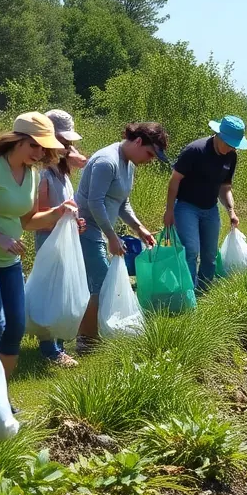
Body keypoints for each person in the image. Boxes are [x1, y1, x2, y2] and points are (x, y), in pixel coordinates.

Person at [0, 111, 83, 376]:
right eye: (33, 144)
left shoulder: (32, 174)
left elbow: (28, 220)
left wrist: (59, 211)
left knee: (15, 327)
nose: (38, 152)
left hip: (9, 261)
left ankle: (0, 394)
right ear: (17, 140)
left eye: (43, 146)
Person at [74, 122, 169, 343]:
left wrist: (139, 228)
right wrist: (111, 236)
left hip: (101, 229)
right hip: (86, 227)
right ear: (138, 141)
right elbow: (94, 202)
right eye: (149, 153)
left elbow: (122, 203)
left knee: (100, 281)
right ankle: (86, 340)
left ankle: (92, 334)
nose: (149, 160)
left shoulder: (129, 164)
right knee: (101, 281)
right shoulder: (107, 162)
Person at [163, 115, 247, 291]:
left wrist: (231, 211)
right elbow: (174, 180)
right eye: (229, 144)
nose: (231, 148)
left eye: (234, 145)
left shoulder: (231, 156)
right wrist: (169, 210)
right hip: (187, 207)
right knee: (191, 250)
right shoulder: (195, 150)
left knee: (210, 254)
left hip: (210, 208)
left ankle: (204, 290)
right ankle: (188, 292)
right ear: (218, 135)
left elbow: (225, 187)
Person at [33, 108, 90, 364]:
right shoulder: (44, 175)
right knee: (50, 293)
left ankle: (58, 344)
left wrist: (74, 222)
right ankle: (50, 348)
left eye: (68, 143)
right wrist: (63, 220)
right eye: (63, 143)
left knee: (63, 292)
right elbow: (40, 216)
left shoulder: (62, 173)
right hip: (50, 242)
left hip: (66, 240)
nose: (67, 147)